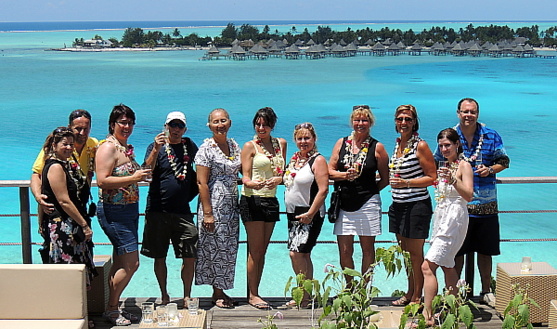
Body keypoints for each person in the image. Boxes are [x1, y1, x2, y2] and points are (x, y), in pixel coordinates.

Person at [435, 98, 510, 306]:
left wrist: (490, 169)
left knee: (485, 252)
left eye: (473, 112)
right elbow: (436, 161)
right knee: (456, 252)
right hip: (458, 207)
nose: (469, 115)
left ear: (478, 114)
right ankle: (454, 293)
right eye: (465, 111)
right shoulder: (450, 136)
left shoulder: (491, 135)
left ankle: (486, 291)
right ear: (458, 113)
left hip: (486, 205)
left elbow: (504, 161)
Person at [96, 104, 151, 326]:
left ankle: (113, 306)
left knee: (121, 262)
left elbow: (130, 175)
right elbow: (102, 180)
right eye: (122, 122)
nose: (127, 126)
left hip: (128, 211)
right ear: (112, 124)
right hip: (114, 212)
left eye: (130, 123)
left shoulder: (124, 147)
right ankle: (111, 309)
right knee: (132, 263)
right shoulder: (108, 148)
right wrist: (133, 178)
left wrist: (139, 176)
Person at [140, 111, 199, 307]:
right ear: (166, 127)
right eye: (172, 125)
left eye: (179, 126)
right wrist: (156, 149)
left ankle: (187, 295)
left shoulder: (189, 146)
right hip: (158, 210)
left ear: (185, 129)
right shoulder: (155, 146)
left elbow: (203, 165)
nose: (176, 129)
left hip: (183, 211)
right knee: (159, 256)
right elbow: (146, 170)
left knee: (190, 254)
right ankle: (164, 294)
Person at [328, 105, 389, 284]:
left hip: (368, 203)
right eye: (357, 120)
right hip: (344, 203)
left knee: (368, 250)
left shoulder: (377, 147)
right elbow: (329, 170)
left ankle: (364, 290)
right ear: (351, 122)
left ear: (371, 123)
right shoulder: (341, 143)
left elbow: (385, 178)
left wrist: (369, 192)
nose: (360, 123)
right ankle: (350, 287)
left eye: (364, 120)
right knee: (345, 251)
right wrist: (344, 176)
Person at [30, 109, 98, 263]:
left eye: (86, 128)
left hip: (80, 211)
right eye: (77, 129)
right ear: (70, 128)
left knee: (83, 259)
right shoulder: (56, 151)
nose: (82, 132)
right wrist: (38, 197)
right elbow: (36, 174)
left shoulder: (93, 144)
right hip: (61, 217)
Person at [422, 128, 473, 326]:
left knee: (427, 266)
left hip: (455, 219)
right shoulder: (445, 165)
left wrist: (453, 180)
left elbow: (468, 195)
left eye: (448, 145)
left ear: (457, 144)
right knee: (448, 264)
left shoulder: (463, 166)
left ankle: (428, 316)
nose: (444, 149)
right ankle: (455, 308)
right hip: (442, 218)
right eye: (441, 146)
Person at [388, 104, 436, 306]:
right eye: (400, 119)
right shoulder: (399, 145)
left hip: (416, 206)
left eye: (408, 119)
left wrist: (407, 183)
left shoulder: (420, 145)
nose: (403, 122)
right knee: (405, 253)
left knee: (416, 254)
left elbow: (432, 177)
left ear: (415, 121)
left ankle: (418, 296)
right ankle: (409, 291)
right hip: (398, 206)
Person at [240, 107, 286, 310]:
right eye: (257, 124)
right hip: (253, 200)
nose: (261, 127)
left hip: (271, 200)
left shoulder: (280, 144)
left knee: (263, 251)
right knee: (255, 250)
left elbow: (284, 171)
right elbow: (245, 176)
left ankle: (256, 290)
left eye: (265, 124)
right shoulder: (250, 146)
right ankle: (252, 294)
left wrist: (280, 178)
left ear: (272, 125)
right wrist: (250, 183)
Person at [195, 108, 241, 309]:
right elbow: (201, 183)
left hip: (231, 208)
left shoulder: (234, 145)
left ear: (229, 123)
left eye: (223, 120)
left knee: (227, 250)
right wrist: (208, 213)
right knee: (213, 249)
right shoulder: (206, 149)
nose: (220, 124)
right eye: (216, 121)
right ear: (209, 126)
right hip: (213, 207)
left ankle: (222, 288)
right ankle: (217, 293)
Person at [40, 126, 97, 284]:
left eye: (71, 144)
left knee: (77, 273)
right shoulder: (56, 167)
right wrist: (84, 225)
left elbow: (45, 195)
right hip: (63, 227)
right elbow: (63, 200)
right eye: (64, 144)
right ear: (54, 145)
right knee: (70, 276)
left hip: (70, 225)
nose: (69, 148)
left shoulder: (64, 164)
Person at [283, 122, 328, 308]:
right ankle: (308, 294)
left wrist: (311, 213)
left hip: (309, 212)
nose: (303, 142)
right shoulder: (294, 160)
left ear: (314, 139)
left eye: (307, 138)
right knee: (304, 255)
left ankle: (303, 294)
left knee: (296, 254)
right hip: (293, 213)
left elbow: (323, 190)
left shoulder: (318, 160)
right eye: (300, 138)